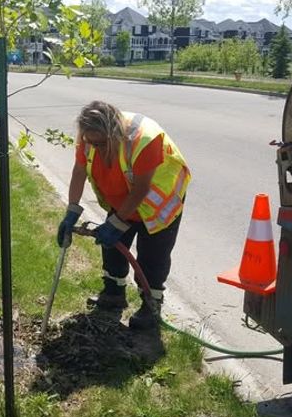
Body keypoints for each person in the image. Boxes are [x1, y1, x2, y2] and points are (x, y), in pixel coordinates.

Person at [56, 101, 191, 329]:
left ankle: (151, 304)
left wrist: (117, 222)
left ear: (115, 133)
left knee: (152, 256)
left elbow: (141, 189)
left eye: (101, 143)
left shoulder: (144, 139)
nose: (95, 148)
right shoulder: (88, 138)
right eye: (91, 142)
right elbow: (79, 171)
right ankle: (113, 293)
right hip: (124, 198)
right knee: (111, 247)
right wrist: (71, 211)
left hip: (158, 204)